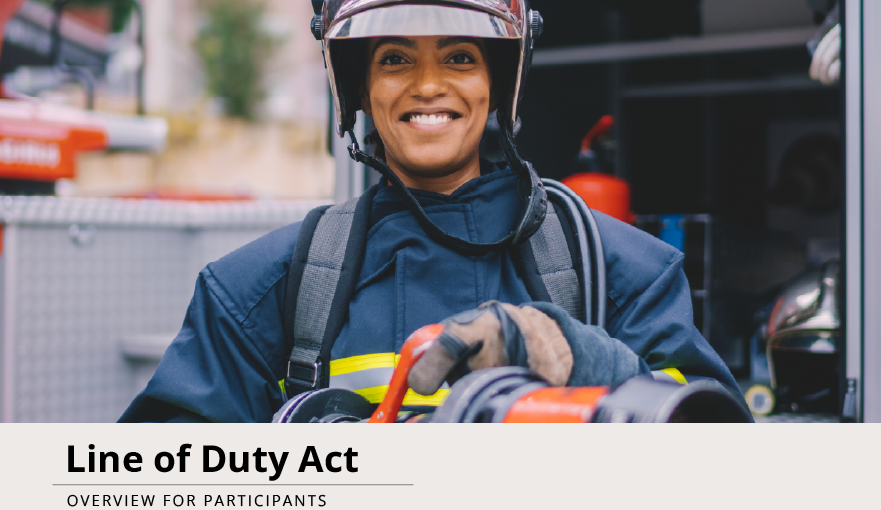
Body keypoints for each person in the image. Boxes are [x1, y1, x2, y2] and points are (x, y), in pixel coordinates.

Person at [120, 0, 739, 423]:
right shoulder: (257, 290)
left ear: (498, 82)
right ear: (359, 87)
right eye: (395, 58)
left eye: (459, 56)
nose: (427, 85)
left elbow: (721, 459)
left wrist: (588, 360)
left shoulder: (626, 271)